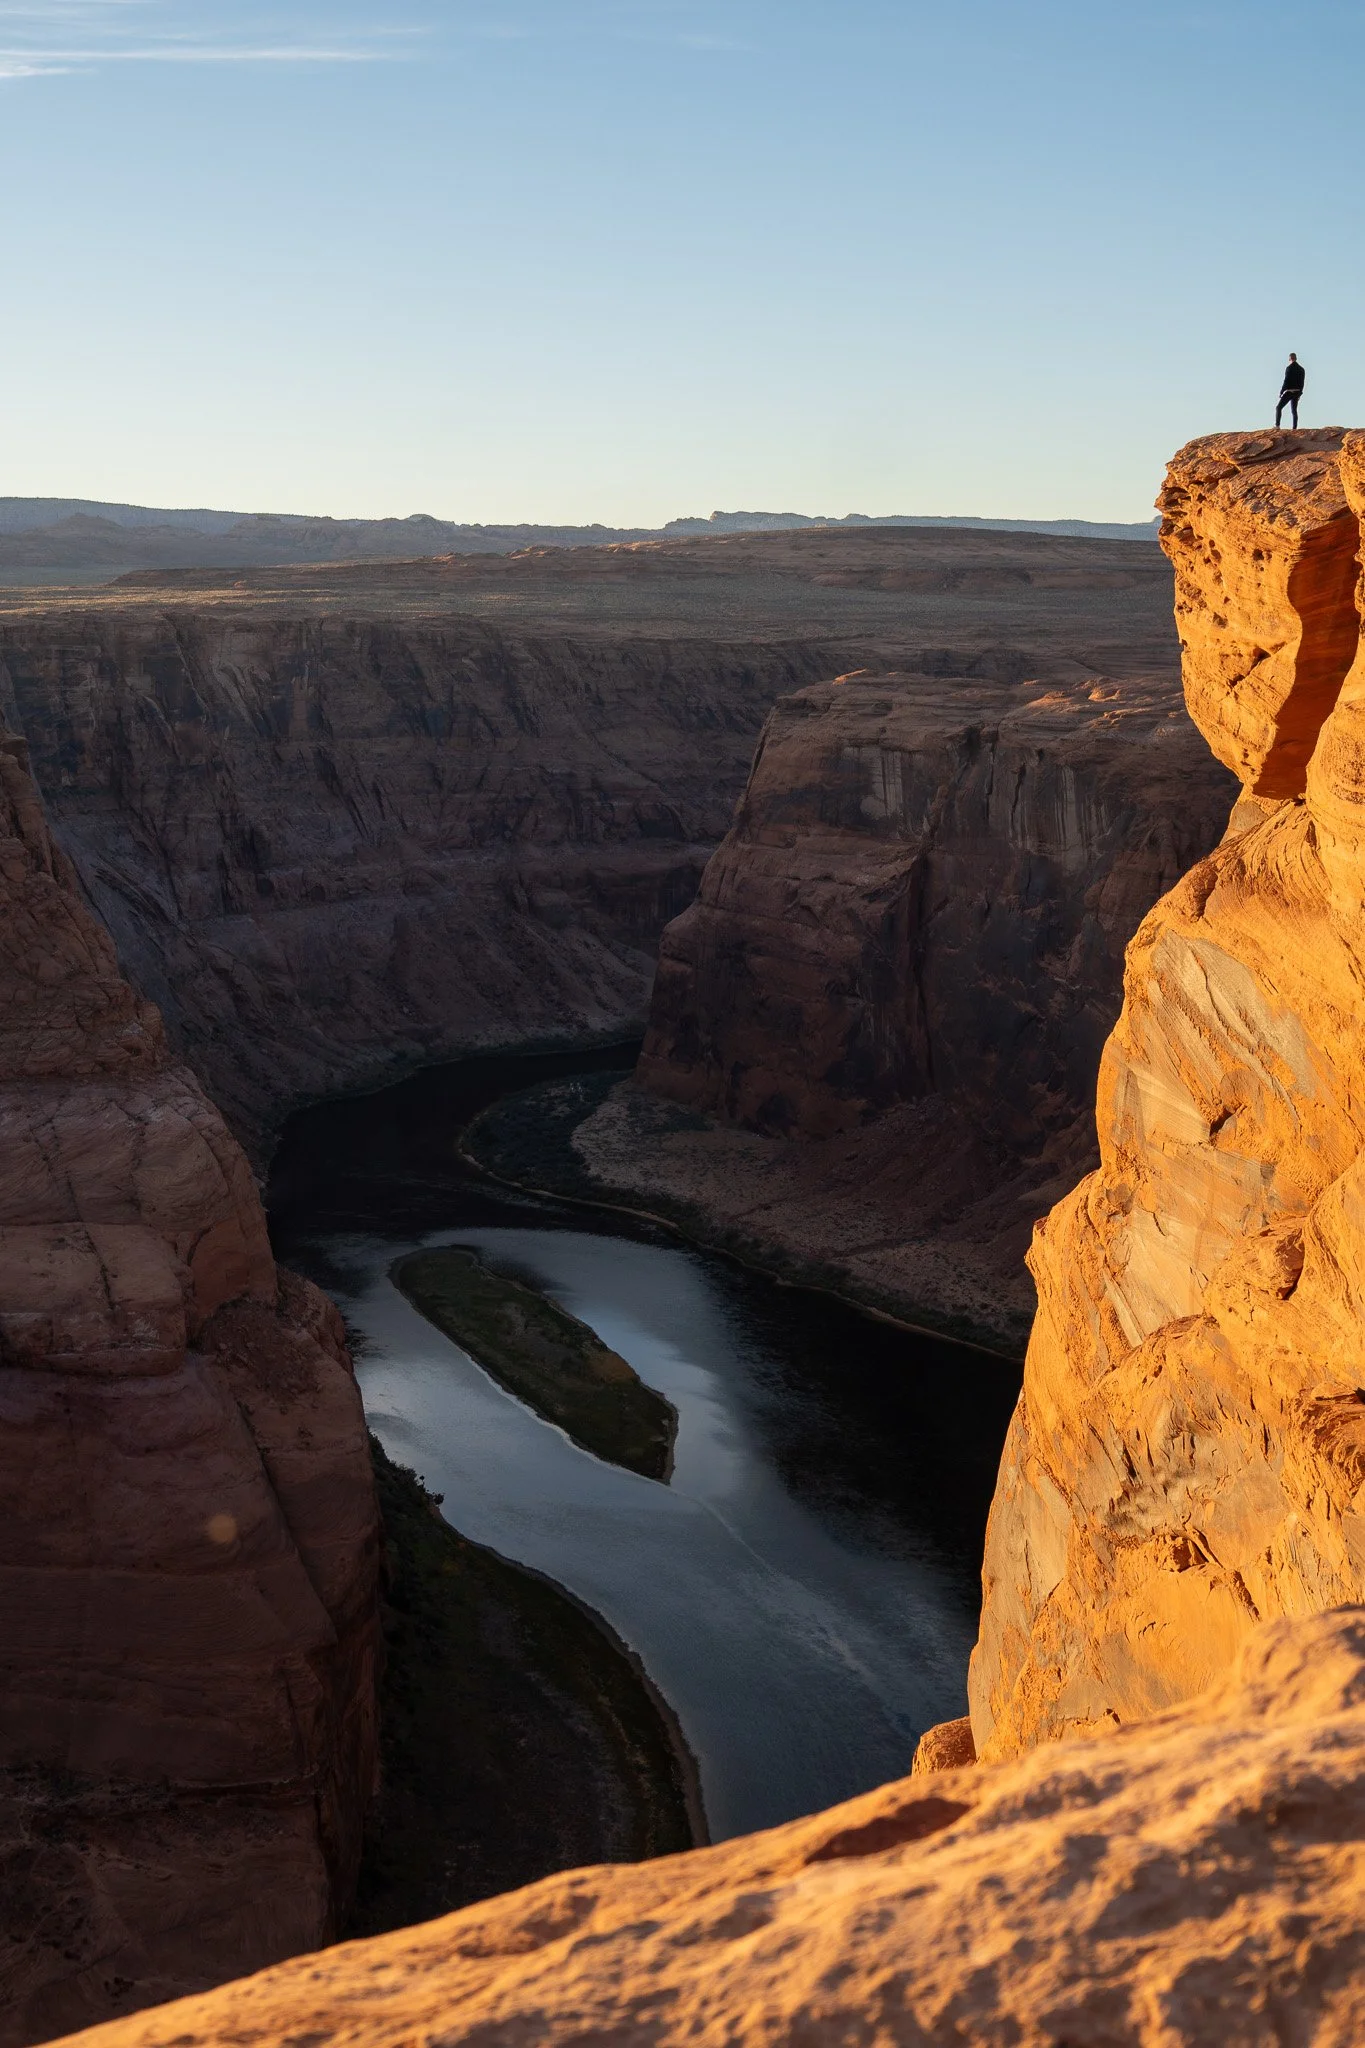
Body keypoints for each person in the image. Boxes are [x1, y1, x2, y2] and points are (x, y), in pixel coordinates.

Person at [1276, 353, 1305, 428]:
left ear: (1290, 358)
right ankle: (1294, 428)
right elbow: (1302, 382)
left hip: (1289, 391)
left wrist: (1281, 392)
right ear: (1296, 358)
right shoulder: (1301, 369)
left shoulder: (1289, 368)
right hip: (1297, 392)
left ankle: (1277, 425)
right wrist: (1300, 393)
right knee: (1294, 410)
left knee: (1278, 407)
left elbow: (1286, 381)